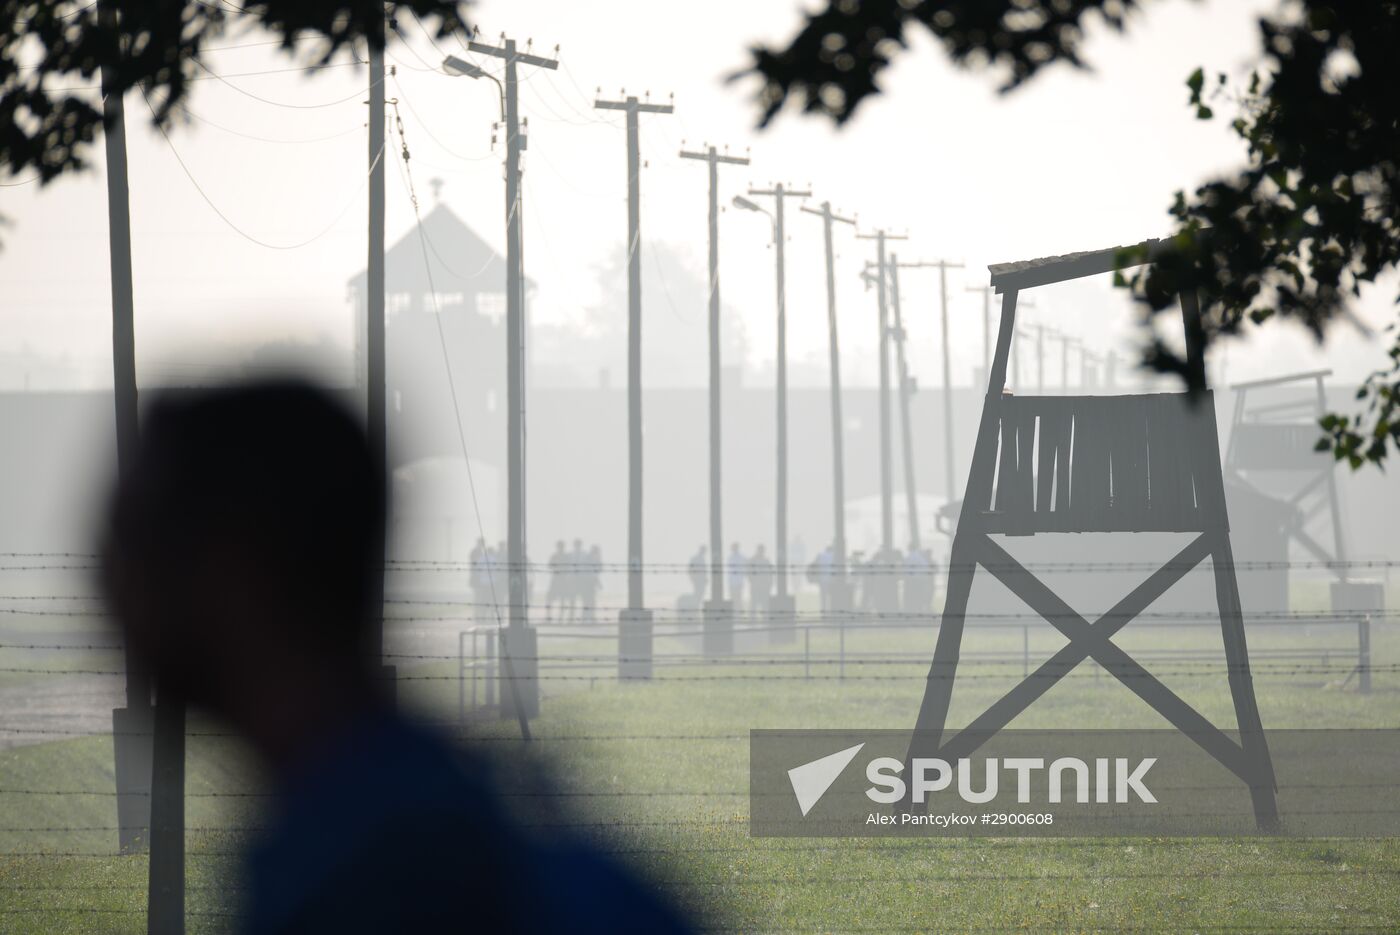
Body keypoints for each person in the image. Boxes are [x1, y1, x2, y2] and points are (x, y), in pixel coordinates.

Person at [100, 381, 691, 935]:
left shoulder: (364, 881)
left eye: (134, 546)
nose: (109, 588)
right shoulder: (426, 819)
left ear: (233, 578)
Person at [545, 540, 568, 620]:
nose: (560, 548)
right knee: (550, 598)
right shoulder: (555, 556)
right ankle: (549, 616)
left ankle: (559, 616)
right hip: (557, 579)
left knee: (562, 599)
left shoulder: (563, 556)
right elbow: (550, 565)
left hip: (561, 579)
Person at [747, 544, 774, 615]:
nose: (762, 552)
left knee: (764, 605)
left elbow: (770, 574)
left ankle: (765, 619)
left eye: (762, 550)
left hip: (764, 587)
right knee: (754, 605)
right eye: (760, 550)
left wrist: (770, 584)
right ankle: (753, 619)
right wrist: (753, 582)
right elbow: (749, 573)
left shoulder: (766, 560)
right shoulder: (752, 560)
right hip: (756, 587)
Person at [582, 545, 603, 622]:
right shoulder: (590, 559)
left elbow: (597, 571)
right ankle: (587, 617)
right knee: (588, 600)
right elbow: (595, 572)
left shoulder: (594, 559)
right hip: (587, 582)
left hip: (590, 582)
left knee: (590, 600)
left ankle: (589, 616)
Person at [726, 542, 747, 613]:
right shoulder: (730, 557)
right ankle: (735, 612)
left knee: (738, 597)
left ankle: (739, 612)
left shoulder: (741, 557)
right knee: (733, 598)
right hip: (732, 582)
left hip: (738, 582)